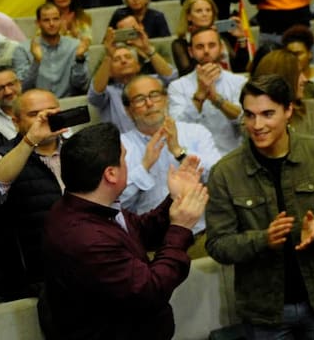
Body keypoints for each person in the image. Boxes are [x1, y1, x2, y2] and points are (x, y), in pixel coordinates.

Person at [205, 76, 314, 338]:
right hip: (264, 309)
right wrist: (263, 240)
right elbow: (218, 244)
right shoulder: (226, 172)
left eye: (267, 114)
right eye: (249, 115)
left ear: (288, 111)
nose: (257, 125)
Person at [40, 122, 207, 340]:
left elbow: (137, 232)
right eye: (124, 158)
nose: (129, 163)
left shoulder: (85, 203)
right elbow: (150, 290)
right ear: (110, 174)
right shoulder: (86, 238)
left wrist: (174, 200)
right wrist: (181, 228)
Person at [0, 88, 65, 300]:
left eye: (50, 111)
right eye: (35, 115)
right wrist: (30, 141)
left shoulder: (79, 150)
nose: (44, 119)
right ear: (16, 122)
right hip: (33, 281)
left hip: (84, 267)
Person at [119, 73, 221, 228]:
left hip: (199, 231)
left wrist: (179, 152)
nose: (149, 103)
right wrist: (144, 166)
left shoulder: (196, 132)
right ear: (128, 110)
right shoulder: (121, 145)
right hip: (148, 238)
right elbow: (118, 200)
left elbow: (219, 178)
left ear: (166, 99)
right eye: (139, 99)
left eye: (154, 95)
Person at [167, 26, 248, 156]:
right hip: (195, 159)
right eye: (199, 47)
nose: (206, 51)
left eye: (211, 45)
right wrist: (199, 94)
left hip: (233, 156)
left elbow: (246, 120)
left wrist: (216, 99)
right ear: (190, 52)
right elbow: (177, 126)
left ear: (221, 48)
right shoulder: (177, 86)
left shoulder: (239, 82)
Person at [249, 48, 314, 145]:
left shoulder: (311, 109)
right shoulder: (253, 117)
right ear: (283, 78)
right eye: (298, 73)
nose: (304, 79)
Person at [12, 2, 90, 98]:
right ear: (38, 23)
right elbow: (22, 88)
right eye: (46, 20)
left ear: (61, 20)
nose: (51, 24)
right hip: (38, 105)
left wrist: (79, 59)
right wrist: (36, 62)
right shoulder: (23, 49)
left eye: (56, 19)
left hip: (69, 104)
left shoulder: (75, 46)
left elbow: (81, 85)